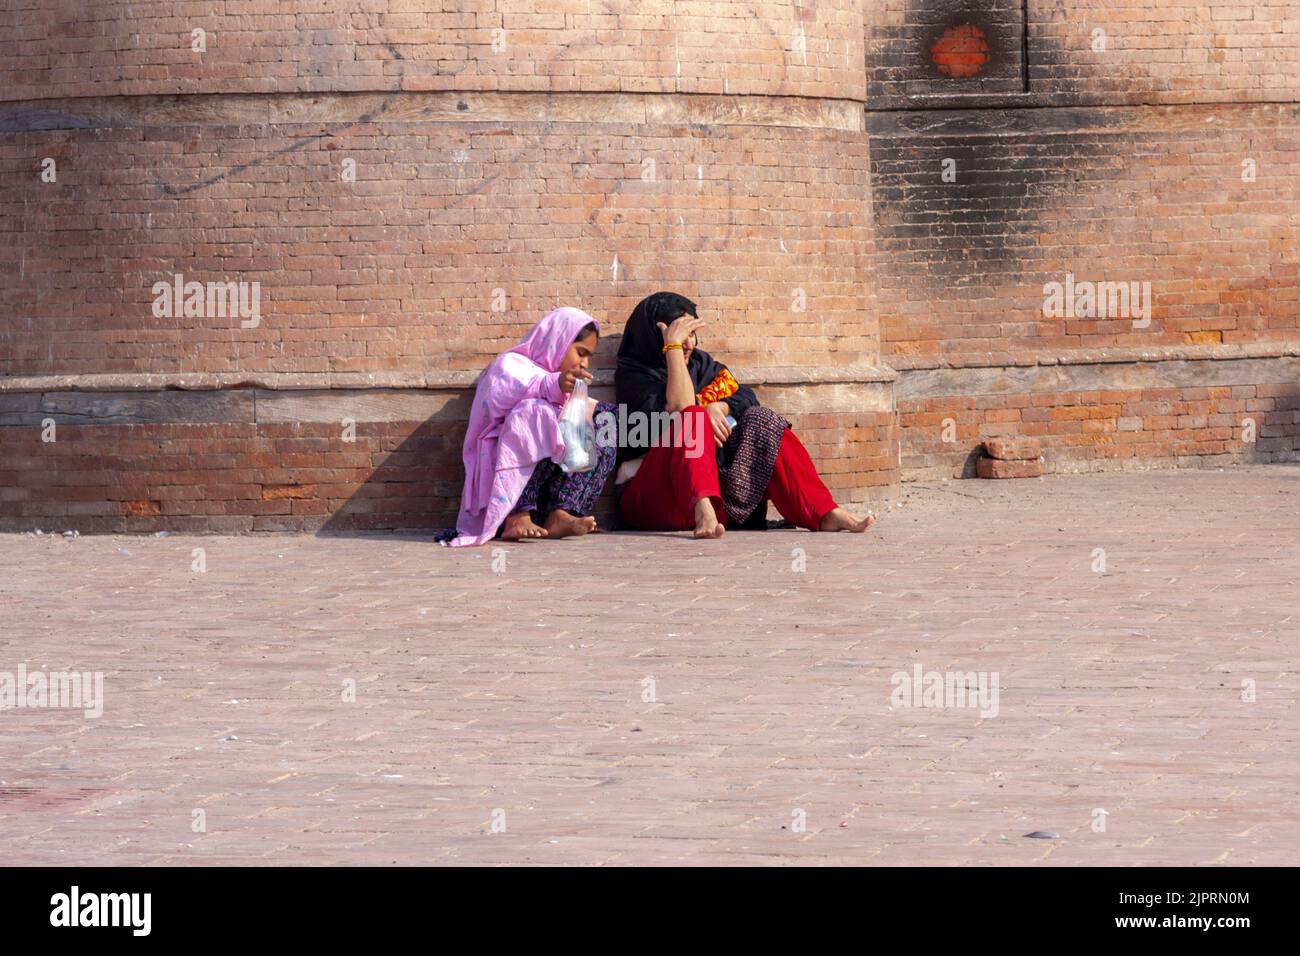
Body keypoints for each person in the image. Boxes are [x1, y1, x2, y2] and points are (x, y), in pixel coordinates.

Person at [613, 291, 876, 539]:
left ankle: (822, 512)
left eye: (692, 333)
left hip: (717, 499)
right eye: (680, 334)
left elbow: (745, 397)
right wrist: (672, 349)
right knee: (692, 417)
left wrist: (719, 407)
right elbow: (682, 407)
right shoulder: (635, 375)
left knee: (762, 419)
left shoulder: (702, 365)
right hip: (654, 499)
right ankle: (703, 511)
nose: (688, 343)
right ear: (655, 335)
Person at [441, 307, 617, 547]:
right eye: (580, 353)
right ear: (558, 342)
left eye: (589, 357)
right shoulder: (510, 365)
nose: (584, 363)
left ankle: (562, 512)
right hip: (507, 489)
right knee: (534, 412)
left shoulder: (564, 383)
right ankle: (517, 517)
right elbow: (501, 400)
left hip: (549, 489)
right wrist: (552, 385)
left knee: (606, 420)